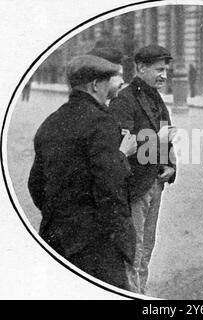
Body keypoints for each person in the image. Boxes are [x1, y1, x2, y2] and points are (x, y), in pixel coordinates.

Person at [28, 53, 138, 290]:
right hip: (94, 245)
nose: (115, 83)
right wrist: (122, 155)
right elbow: (110, 186)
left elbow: (35, 185)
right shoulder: (101, 122)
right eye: (110, 78)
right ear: (95, 85)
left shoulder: (50, 121)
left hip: (55, 238)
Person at [109, 44, 177, 294]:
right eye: (159, 69)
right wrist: (154, 139)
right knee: (134, 250)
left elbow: (166, 134)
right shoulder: (124, 100)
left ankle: (141, 292)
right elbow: (120, 142)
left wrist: (170, 164)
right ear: (140, 68)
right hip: (135, 186)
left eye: (166, 70)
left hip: (154, 182)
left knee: (146, 247)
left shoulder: (154, 96)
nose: (164, 75)